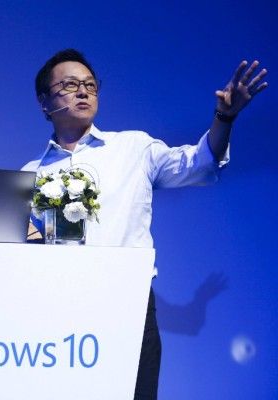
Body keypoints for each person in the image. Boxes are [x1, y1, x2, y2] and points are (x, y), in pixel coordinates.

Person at [22, 49, 267, 399]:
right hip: (61, 306)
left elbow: (199, 164)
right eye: (71, 85)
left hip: (130, 302)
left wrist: (224, 117)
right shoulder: (30, 174)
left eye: (90, 85)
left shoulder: (133, 147)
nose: (83, 92)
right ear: (44, 101)